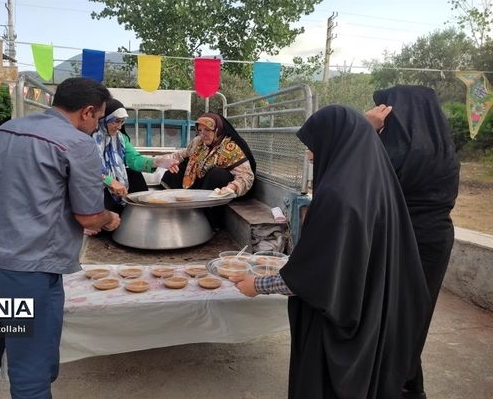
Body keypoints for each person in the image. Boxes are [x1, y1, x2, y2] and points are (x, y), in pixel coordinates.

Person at [232, 105, 431, 399]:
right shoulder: (375, 184)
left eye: (313, 146)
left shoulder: (338, 197)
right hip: (369, 312)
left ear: (335, 143)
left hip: (338, 321)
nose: (310, 155)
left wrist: (257, 285)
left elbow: (315, 278)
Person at [0, 78, 120, 399]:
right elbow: (88, 216)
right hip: (27, 269)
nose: (96, 127)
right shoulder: (77, 143)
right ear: (87, 112)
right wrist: (110, 218)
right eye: (99, 119)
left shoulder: (6, 130)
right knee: (29, 365)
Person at [365, 85, 460, 399]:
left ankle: (397, 388)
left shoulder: (397, 153)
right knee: (411, 323)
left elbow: (352, 181)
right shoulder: (444, 151)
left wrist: (366, 130)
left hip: (403, 241)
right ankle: (410, 387)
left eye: (387, 109)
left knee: (390, 324)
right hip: (435, 240)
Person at [160, 112, 256, 227]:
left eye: (207, 130)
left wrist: (231, 188)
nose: (203, 134)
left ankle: (207, 222)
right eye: (200, 130)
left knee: (218, 174)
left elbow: (247, 176)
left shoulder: (231, 148)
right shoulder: (198, 142)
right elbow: (184, 154)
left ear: (217, 130)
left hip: (215, 190)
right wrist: (165, 160)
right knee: (176, 169)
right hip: (195, 182)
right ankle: (174, 211)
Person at [92, 98, 178, 214]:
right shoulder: (90, 139)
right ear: (103, 119)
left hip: (117, 188)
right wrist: (109, 181)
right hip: (95, 189)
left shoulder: (121, 139)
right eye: (115, 121)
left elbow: (133, 160)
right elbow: (86, 169)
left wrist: (158, 162)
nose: (119, 126)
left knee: (134, 175)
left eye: (122, 122)